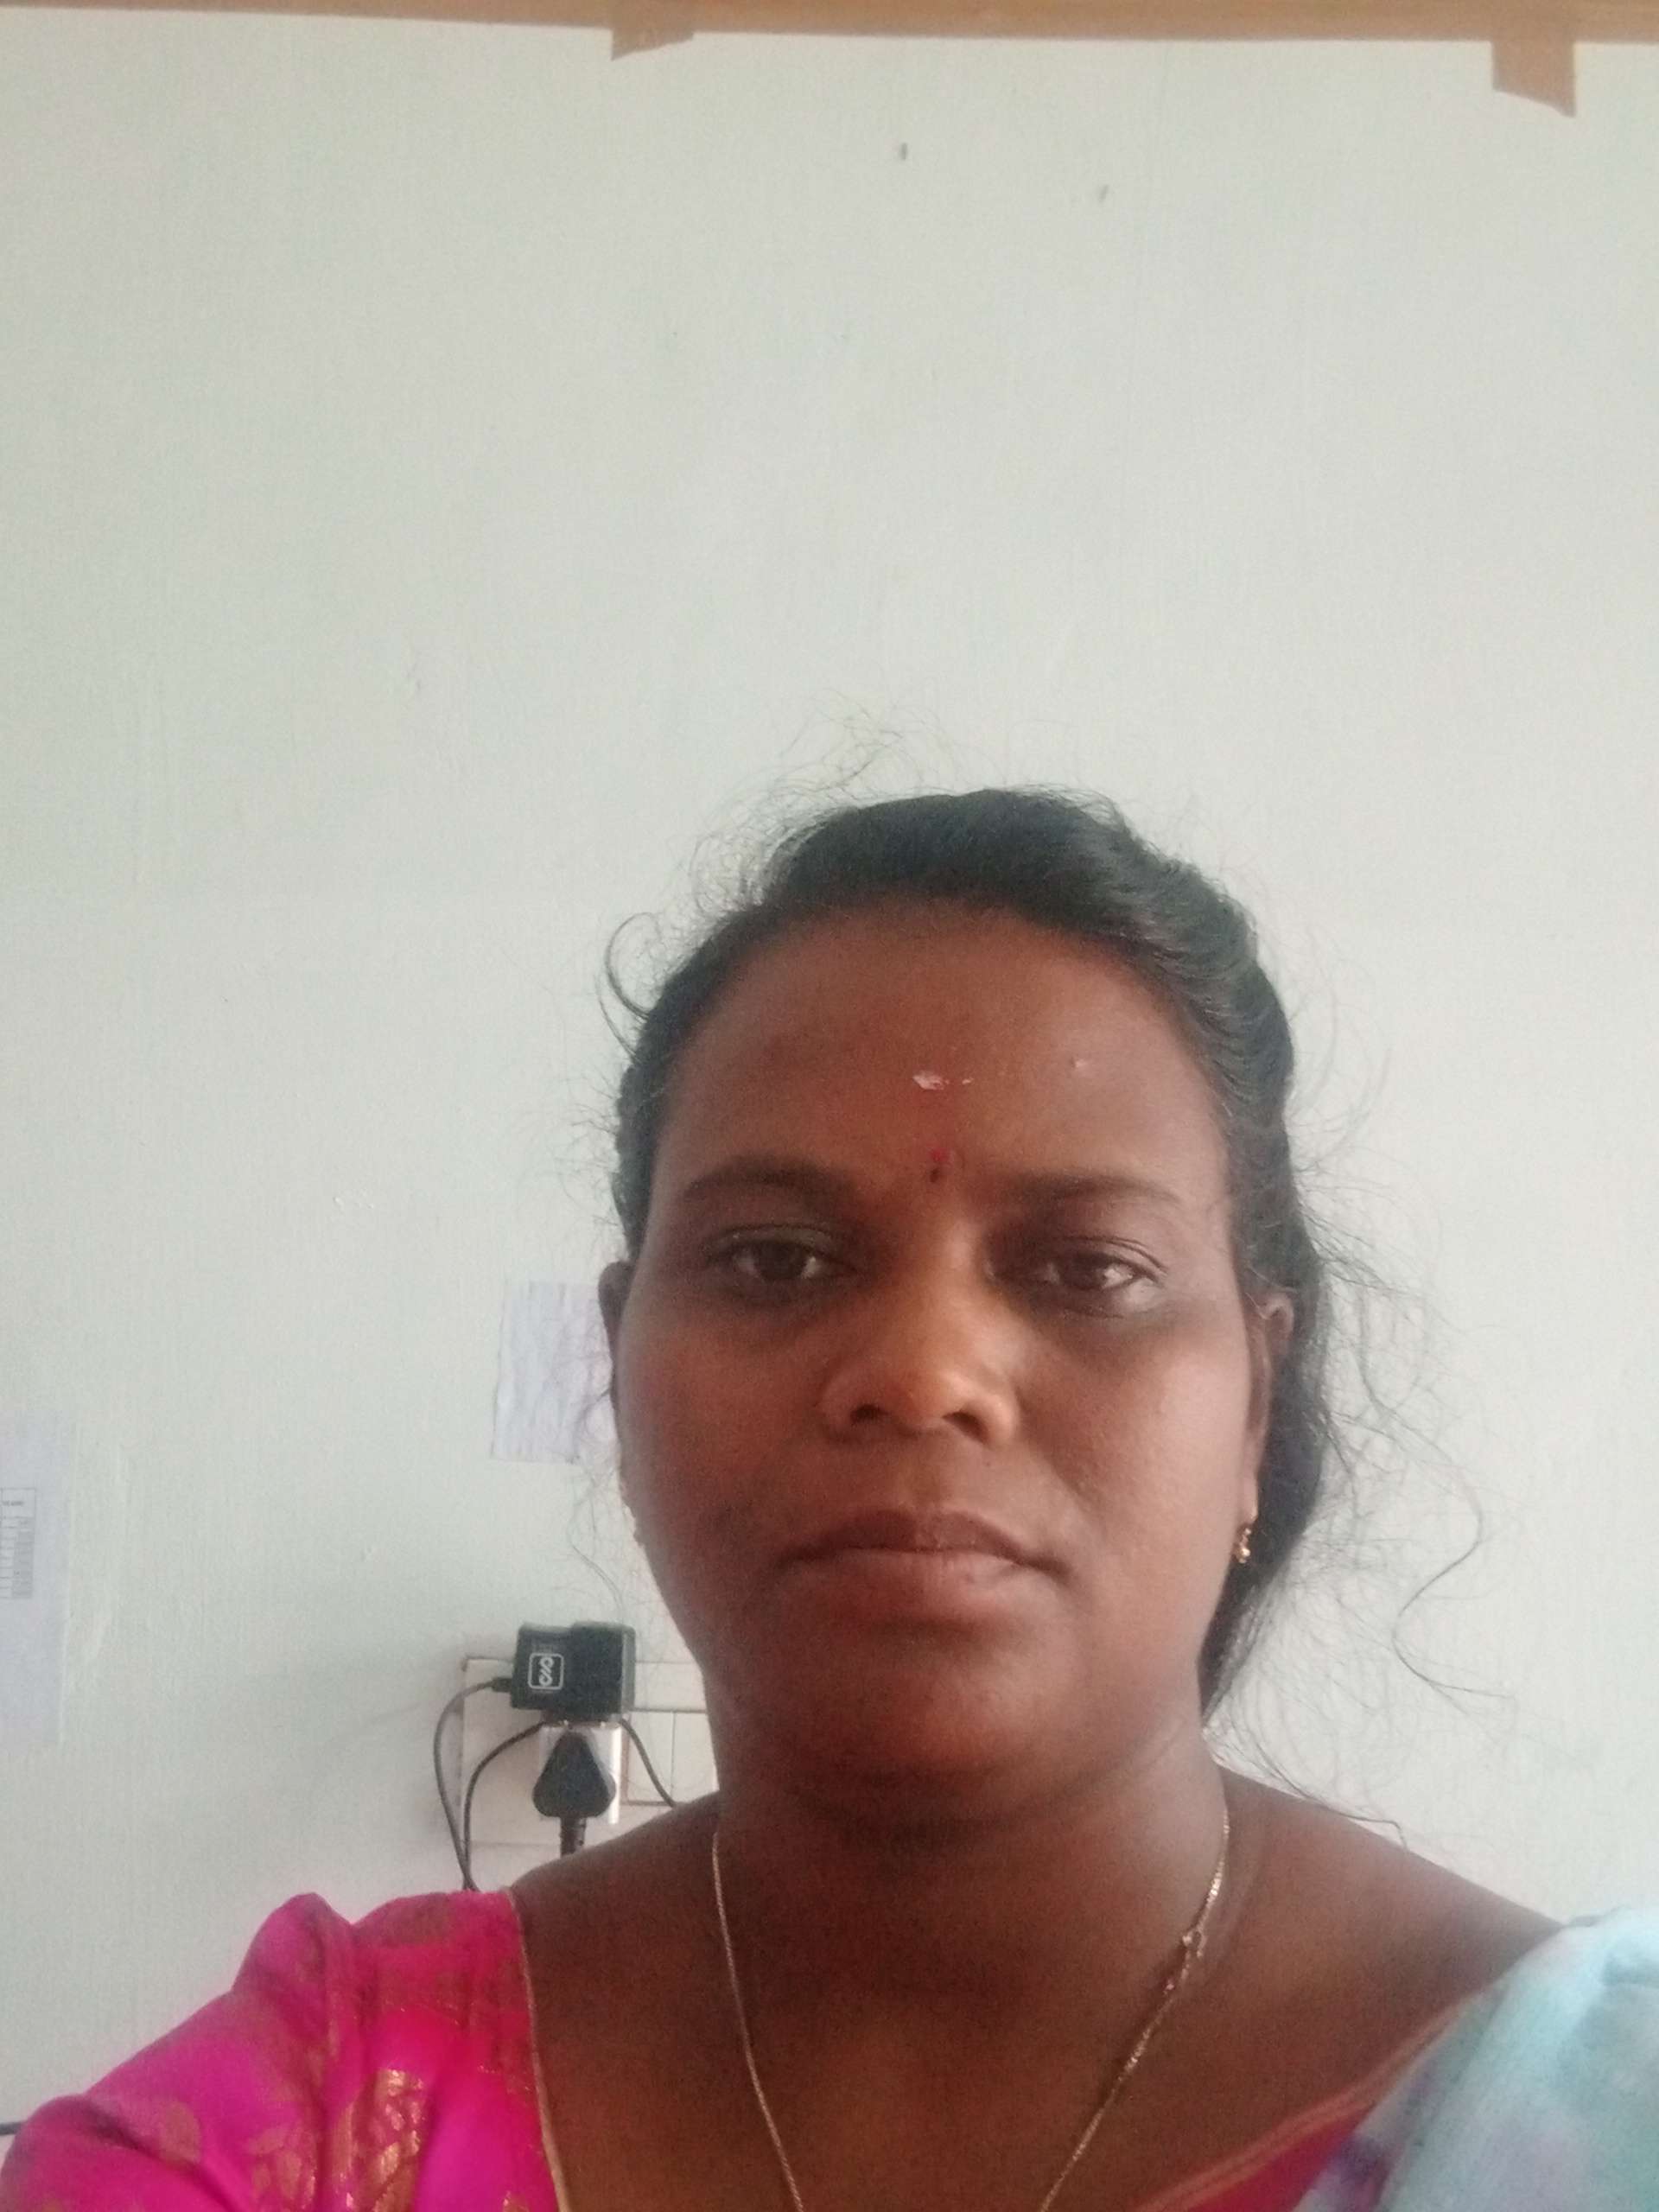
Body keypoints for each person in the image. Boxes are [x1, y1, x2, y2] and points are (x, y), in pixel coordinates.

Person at [4, 786, 1656, 2212]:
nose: (924, 1371)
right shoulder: (328, 2112)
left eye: (1088, 1269)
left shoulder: (1585, 2121)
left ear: (1257, 1408)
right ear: (617, 1372)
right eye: (775, 1261)